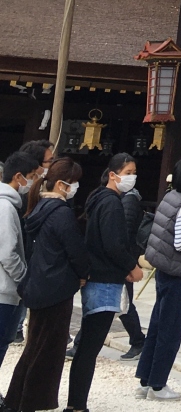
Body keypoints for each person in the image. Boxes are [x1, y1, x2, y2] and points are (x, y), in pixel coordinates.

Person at [5, 159, 89, 412]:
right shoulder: (61, 213)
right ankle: (32, 401)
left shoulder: (39, 207)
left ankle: (17, 399)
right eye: (73, 183)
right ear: (62, 184)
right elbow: (75, 250)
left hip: (39, 284)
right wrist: (83, 274)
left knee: (35, 346)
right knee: (48, 351)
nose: (75, 188)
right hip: (57, 288)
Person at [65, 154, 143, 412]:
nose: (132, 177)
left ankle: (76, 402)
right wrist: (131, 266)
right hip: (105, 280)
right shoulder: (111, 203)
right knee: (90, 347)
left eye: (134, 172)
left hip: (98, 276)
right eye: (127, 172)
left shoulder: (99, 198)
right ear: (113, 174)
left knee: (87, 345)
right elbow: (113, 244)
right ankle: (77, 405)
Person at [137, 157, 181, 401]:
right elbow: (180, 243)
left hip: (162, 267)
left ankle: (146, 380)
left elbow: (170, 229)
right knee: (170, 329)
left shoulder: (170, 197)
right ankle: (158, 384)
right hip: (174, 270)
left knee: (157, 324)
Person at [0, 152, 40, 369]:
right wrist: (23, 278)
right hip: (3, 291)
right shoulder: (6, 207)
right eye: (31, 177)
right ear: (18, 177)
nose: (32, 183)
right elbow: (7, 253)